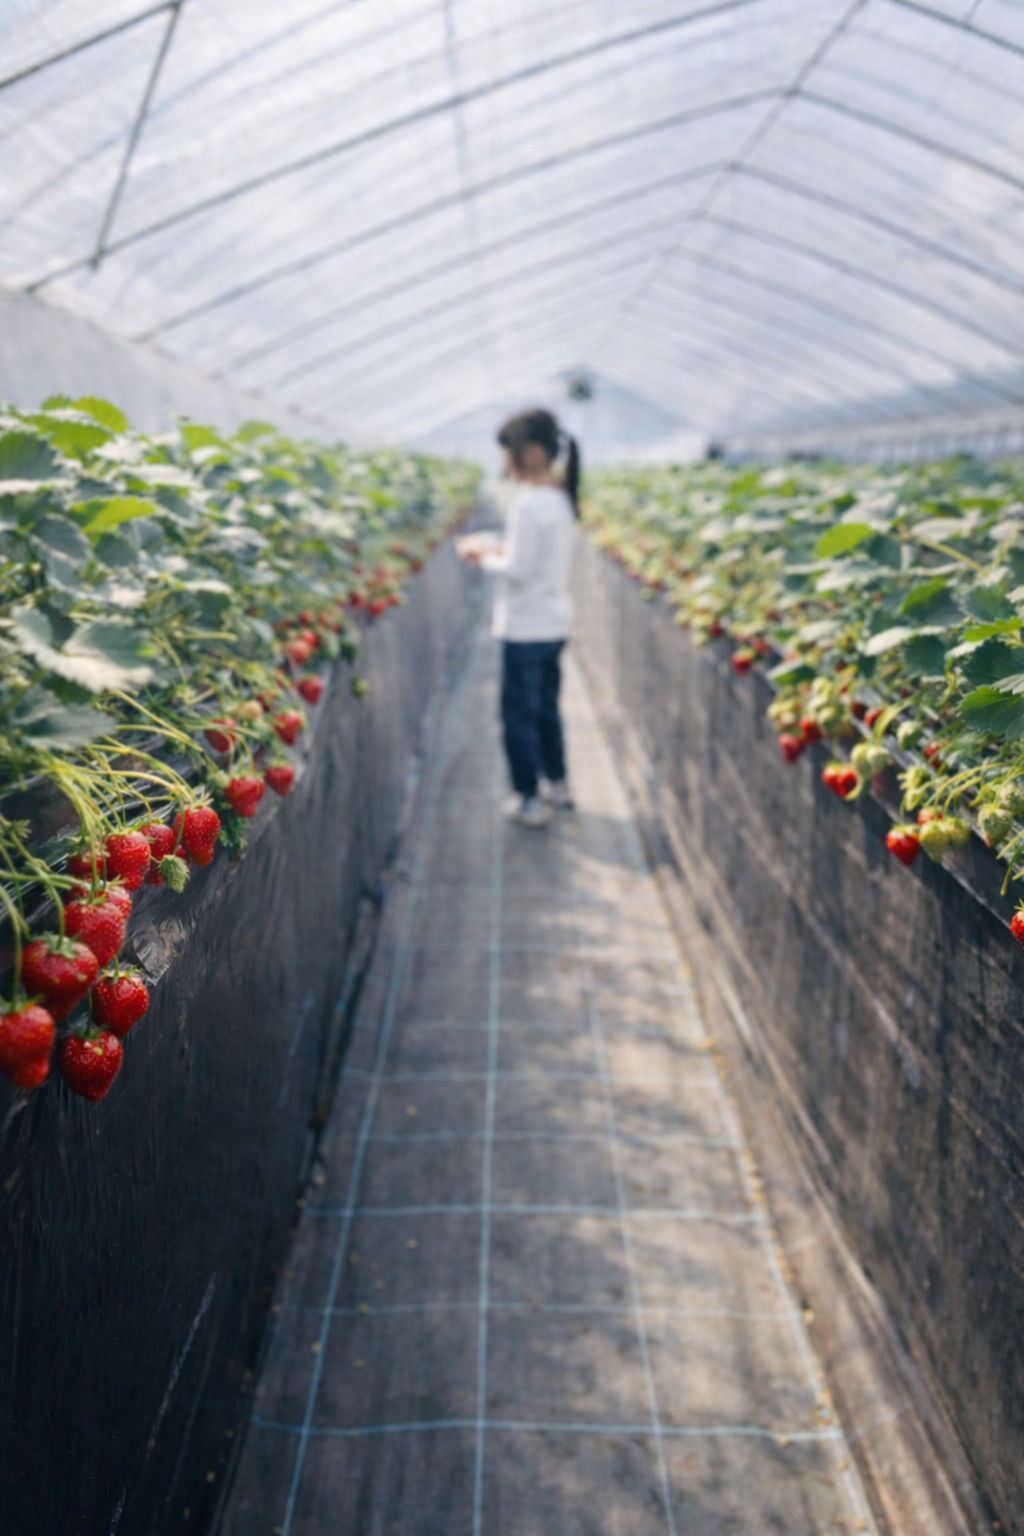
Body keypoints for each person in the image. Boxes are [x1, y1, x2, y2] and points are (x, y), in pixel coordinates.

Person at [460, 408, 580, 828]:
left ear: (531, 453)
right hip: (554, 624)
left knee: (517, 715)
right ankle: (558, 785)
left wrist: (481, 555)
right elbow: (531, 558)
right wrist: (497, 548)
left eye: (508, 453)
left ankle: (528, 797)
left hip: (525, 629)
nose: (504, 463)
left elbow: (518, 569)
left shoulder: (529, 505)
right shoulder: (561, 499)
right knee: (546, 708)